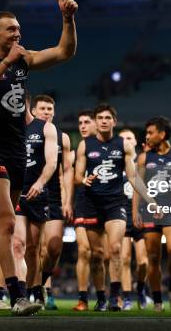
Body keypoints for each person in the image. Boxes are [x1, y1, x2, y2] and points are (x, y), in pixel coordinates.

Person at [0, 0, 78, 315]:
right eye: (11, 30)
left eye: (18, 29)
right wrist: (5, 61)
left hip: (17, 152)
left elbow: (63, 52)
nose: (17, 34)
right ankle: (17, 296)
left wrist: (67, 20)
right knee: (7, 222)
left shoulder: (23, 59)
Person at [74, 104, 139, 311]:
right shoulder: (85, 145)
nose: (103, 121)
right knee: (97, 253)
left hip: (115, 203)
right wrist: (83, 180)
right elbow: (77, 175)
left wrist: (151, 201)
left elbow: (133, 176)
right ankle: (101, 297)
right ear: (96, 121)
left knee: (116, 249)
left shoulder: (124, 145)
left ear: (114, 121)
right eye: (100, 118)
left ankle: (115, 297)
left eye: (107, 118)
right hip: (92, 203)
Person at [132, 116, 171, 312]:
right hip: (150, 212)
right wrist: (135, 212)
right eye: (146, 133)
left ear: (162, 134)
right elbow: (137, 186)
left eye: (150, 133)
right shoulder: (144, 158)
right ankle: (157, 300)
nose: (147, 136)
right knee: (153, 257)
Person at [12, 94, 57, 307]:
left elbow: (51, 162)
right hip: (16, 193)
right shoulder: (9, 127)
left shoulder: (46, 128)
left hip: (38, 194)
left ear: (27, 104)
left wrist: (39, 183)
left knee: (34, 249)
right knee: (18, 244)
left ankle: (34, 288)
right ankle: (21, 294)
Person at [31, 94, 74, 310]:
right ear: (33, 111)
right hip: (30, 193)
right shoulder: (26, 132)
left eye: (50, 109)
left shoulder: (62, 137)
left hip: (53, 195)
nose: (46, 112)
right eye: (43, 108)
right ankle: (41, 290)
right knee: (34, 247)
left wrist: (67, 200)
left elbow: (66, 170)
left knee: (54, 247)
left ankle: (41, 282)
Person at [71, 110, 101, 311]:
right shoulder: (76, 152)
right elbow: (71, 179)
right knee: (84, 250)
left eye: (87, 122)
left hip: (104, 205)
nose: (82, 126)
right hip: (82, 204)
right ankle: (83, 298)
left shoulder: (109, 147)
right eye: (80, 122)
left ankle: (103, 297)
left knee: (101, 254)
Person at [118, 129, 148, 311]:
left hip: (142, 217)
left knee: (143, 261)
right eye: (122, 139)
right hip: (121, 215)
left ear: (135, 141)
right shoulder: (115, 165)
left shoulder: (143, 163)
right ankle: (127, 297)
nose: (126, 141)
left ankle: (141, 289)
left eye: (129, 138)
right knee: (124, 259)